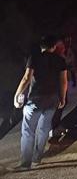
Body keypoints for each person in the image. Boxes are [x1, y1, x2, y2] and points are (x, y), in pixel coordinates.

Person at [12, 35, 67, 171]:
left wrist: (17, 94)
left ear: (41, 46)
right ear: (54, 46)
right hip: (52, 99)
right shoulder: (60, 60)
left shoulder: (34, 57)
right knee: (43, 129)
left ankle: (25, 163)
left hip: (36, 99)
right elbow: (63, 81)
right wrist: (62, 97)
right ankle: (37, 159)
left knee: (28, 130)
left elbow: (26, 78)